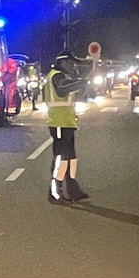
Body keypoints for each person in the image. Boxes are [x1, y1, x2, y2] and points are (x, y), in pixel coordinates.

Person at [44, 50, 90, 204]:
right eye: (69, 62)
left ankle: (72, 190)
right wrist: (79, 83)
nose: (72, 65)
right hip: (58, 123)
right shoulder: (56, 75)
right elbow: (62, 90)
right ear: (62, 62)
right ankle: (55, 193)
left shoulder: (65, 76)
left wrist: (80, 84)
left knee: (70, 159)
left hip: (67, 123)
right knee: (60, 159)